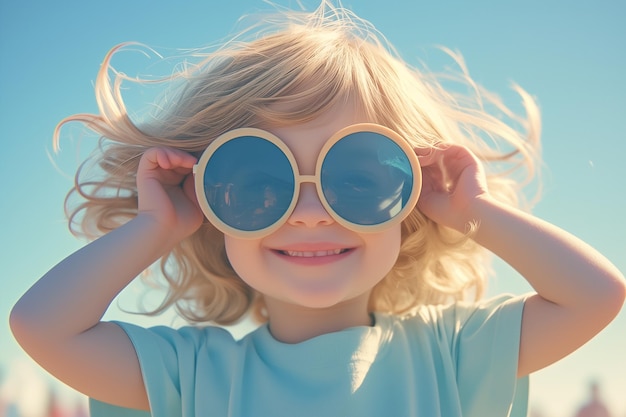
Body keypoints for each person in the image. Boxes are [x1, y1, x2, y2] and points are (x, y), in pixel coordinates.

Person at [9, 2, 625, 416]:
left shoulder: (451, 353)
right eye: (254, 183)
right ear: (207, 203)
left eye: (357, 178)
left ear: (410, 200)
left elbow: (596, 294)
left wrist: (473, 212)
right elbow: (43, 327)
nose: (308, 213)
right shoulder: (194, 375)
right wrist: (155, 226)